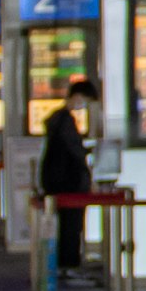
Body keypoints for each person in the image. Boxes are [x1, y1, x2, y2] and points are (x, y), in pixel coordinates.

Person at [39, 76, 98, 276]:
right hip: (69, 182)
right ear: (78, 96)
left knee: (62, 226)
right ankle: (68, 265)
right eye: (85, 101)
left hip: (55, 179)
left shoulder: (56, 118)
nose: (84, 106)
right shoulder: (66, 121)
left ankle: (61, 266)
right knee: (71, 226)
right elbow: (75, 151)